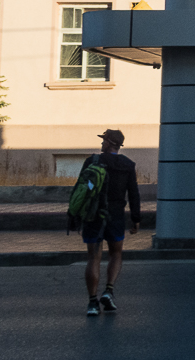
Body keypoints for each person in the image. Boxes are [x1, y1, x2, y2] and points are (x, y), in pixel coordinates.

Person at [82, 129, 141, 317]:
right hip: (115, 215)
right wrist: (136, 218)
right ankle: (108, 291)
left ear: (108, 142)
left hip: (93, 216)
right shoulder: (127, 165)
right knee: (116, 254)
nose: (101, 144)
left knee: (94, 258)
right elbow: (133, 193)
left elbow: (83, 188)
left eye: (103, 140)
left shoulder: (92, 161)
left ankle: (92, 303)